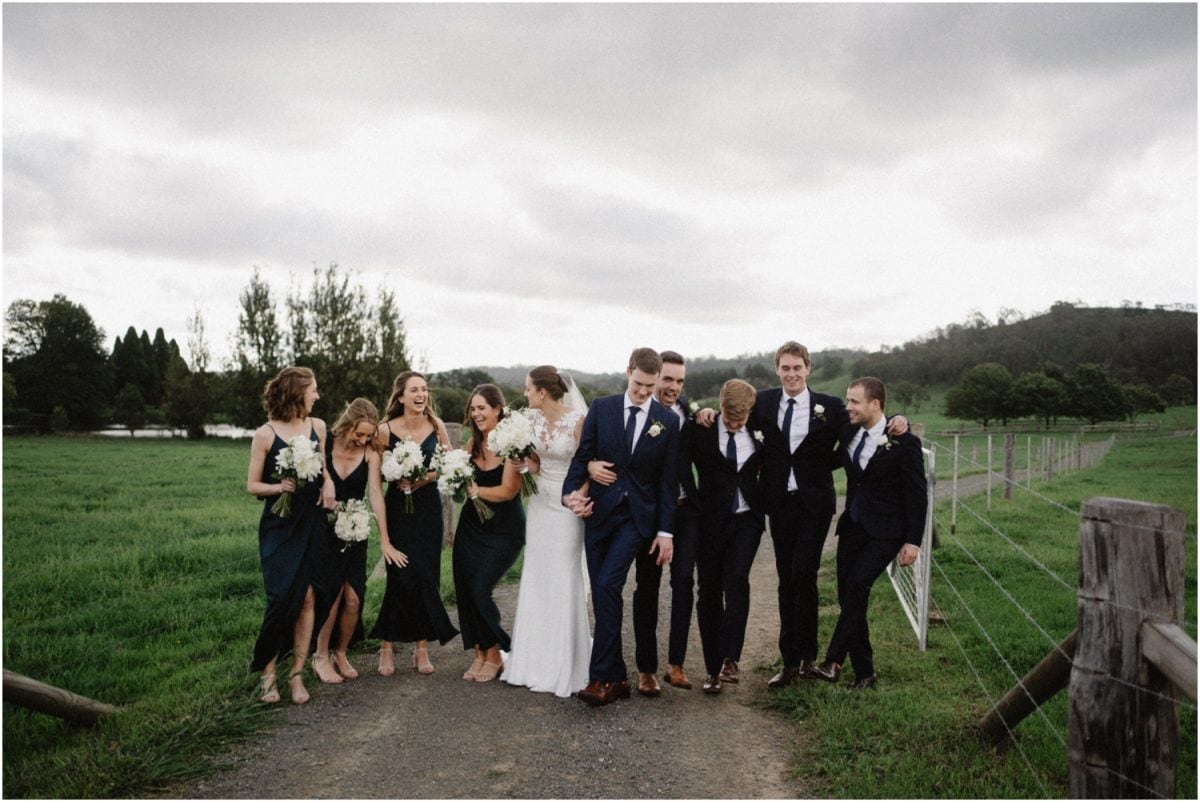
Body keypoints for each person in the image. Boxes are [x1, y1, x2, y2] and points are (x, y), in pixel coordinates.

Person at [734, 341, 905, 689]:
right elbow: (732, 415)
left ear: (808, 369)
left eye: (798, 367)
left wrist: (900, 419)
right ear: (777, 369)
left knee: (804, 574)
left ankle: (809, 656)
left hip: (815, 505)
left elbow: (866, 422)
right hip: (779, 504)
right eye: (785, 368)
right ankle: (789, 662)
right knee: (786, 578)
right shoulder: (763, 402)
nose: (792, 374)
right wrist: (704, 414)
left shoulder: (829, 406)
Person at [563, 347, 681, 707]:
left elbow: (667, 482)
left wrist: (665, 532)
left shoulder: (668, 421)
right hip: (599, 513)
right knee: (603, 594)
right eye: (639, 384)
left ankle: (599, 677)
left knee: (607, 583)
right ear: (628, 371)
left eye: (650, 385)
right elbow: (582, 457)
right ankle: (616, 678)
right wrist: (572, 492)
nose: (644, 392)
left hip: (637, 518)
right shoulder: (603, 407)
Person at [810, 377, 926, 690]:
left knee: (859, 585)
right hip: (853, 526)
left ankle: (833, 661)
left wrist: (913, 541)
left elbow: (918, 495)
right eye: (847, 400)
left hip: (887, 531)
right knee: (848, 595)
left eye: (854, 401)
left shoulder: (905, 443)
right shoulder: (849, 430)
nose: (848, 407)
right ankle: (865, 674)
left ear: (874, 404)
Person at [592, 350, 698, 693]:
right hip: (642, 515)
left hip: (675, 514)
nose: (672, 387)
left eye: (679, 381)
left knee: (681, 585)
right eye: (667, 379)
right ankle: (646, 669)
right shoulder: (624, 409)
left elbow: (675, 474)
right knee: (646, 590)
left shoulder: (689, 416)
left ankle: (674, 664)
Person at [245, 366, 336, 705]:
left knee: (310, 597)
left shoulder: (319, 427)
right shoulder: (265, 434)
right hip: (280, 525)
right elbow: (251, 485)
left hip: (312, 521)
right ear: (298, 392)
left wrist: (328, 483)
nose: (317, 395)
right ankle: (268, 676)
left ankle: (296, 674)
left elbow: (324, 469)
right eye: (313, 389)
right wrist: (278, 486)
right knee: (281, 599)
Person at [504, 366, 591, 697]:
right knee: (539, 576)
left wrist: (579, 494)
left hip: (568, 504)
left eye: (528, 389)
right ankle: (532, 660)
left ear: (542, 391)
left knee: (564, 575)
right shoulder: (530, 420)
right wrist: (523, 466)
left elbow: (584, 463)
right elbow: (536, 463)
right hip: (540, 503)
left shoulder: (578, 420)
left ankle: (567, 660)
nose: (525, 394)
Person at [369, 371, 458, 675]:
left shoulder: (437, 426)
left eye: (424, 389)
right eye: (414, 390)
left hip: (428, 510)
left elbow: (449, 467)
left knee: (425, 576)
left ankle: (421, 648)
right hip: (398, 511)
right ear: (401, 396)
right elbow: (376, 479)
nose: (421, 395)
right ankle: (386, 646)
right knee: (400, 578)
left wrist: (424, 478)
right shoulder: (383, 430)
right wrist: (397, 475)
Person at [311, 398, 404, 684]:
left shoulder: (370, 453)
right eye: (358, 433)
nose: (362, 439)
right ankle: (320, 655)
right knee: (332, 593)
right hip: (324, 530)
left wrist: (385, 540)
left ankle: (341, 652)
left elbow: (375, 494)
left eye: (368, 435)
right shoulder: (324, 444)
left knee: (353, 599)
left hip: (354, 530)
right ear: (347, 425)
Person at [682, 379, 765, 694]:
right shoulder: (700, 428)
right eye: (729, 420)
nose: (733, 426)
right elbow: (680, 467)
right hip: (710, 522)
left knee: (736, 579)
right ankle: (712, 668)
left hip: (747, 520)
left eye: (739, 421)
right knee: (709, 590)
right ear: (719, 407)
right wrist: (693, 500)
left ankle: (731, 658)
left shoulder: (760, 428)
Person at [452, 384, 526, 683]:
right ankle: (480, 652)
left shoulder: (512, 444)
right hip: (472, 526)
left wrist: (475, 489)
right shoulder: (471, 445)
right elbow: (461, 492)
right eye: (473, 408)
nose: (476, 413)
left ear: (498, 408)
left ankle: (498, 652)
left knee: (480, 589)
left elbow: (509, 491)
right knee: (466, 591)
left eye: (482, 407)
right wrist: (454, 478)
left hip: (504, 529)